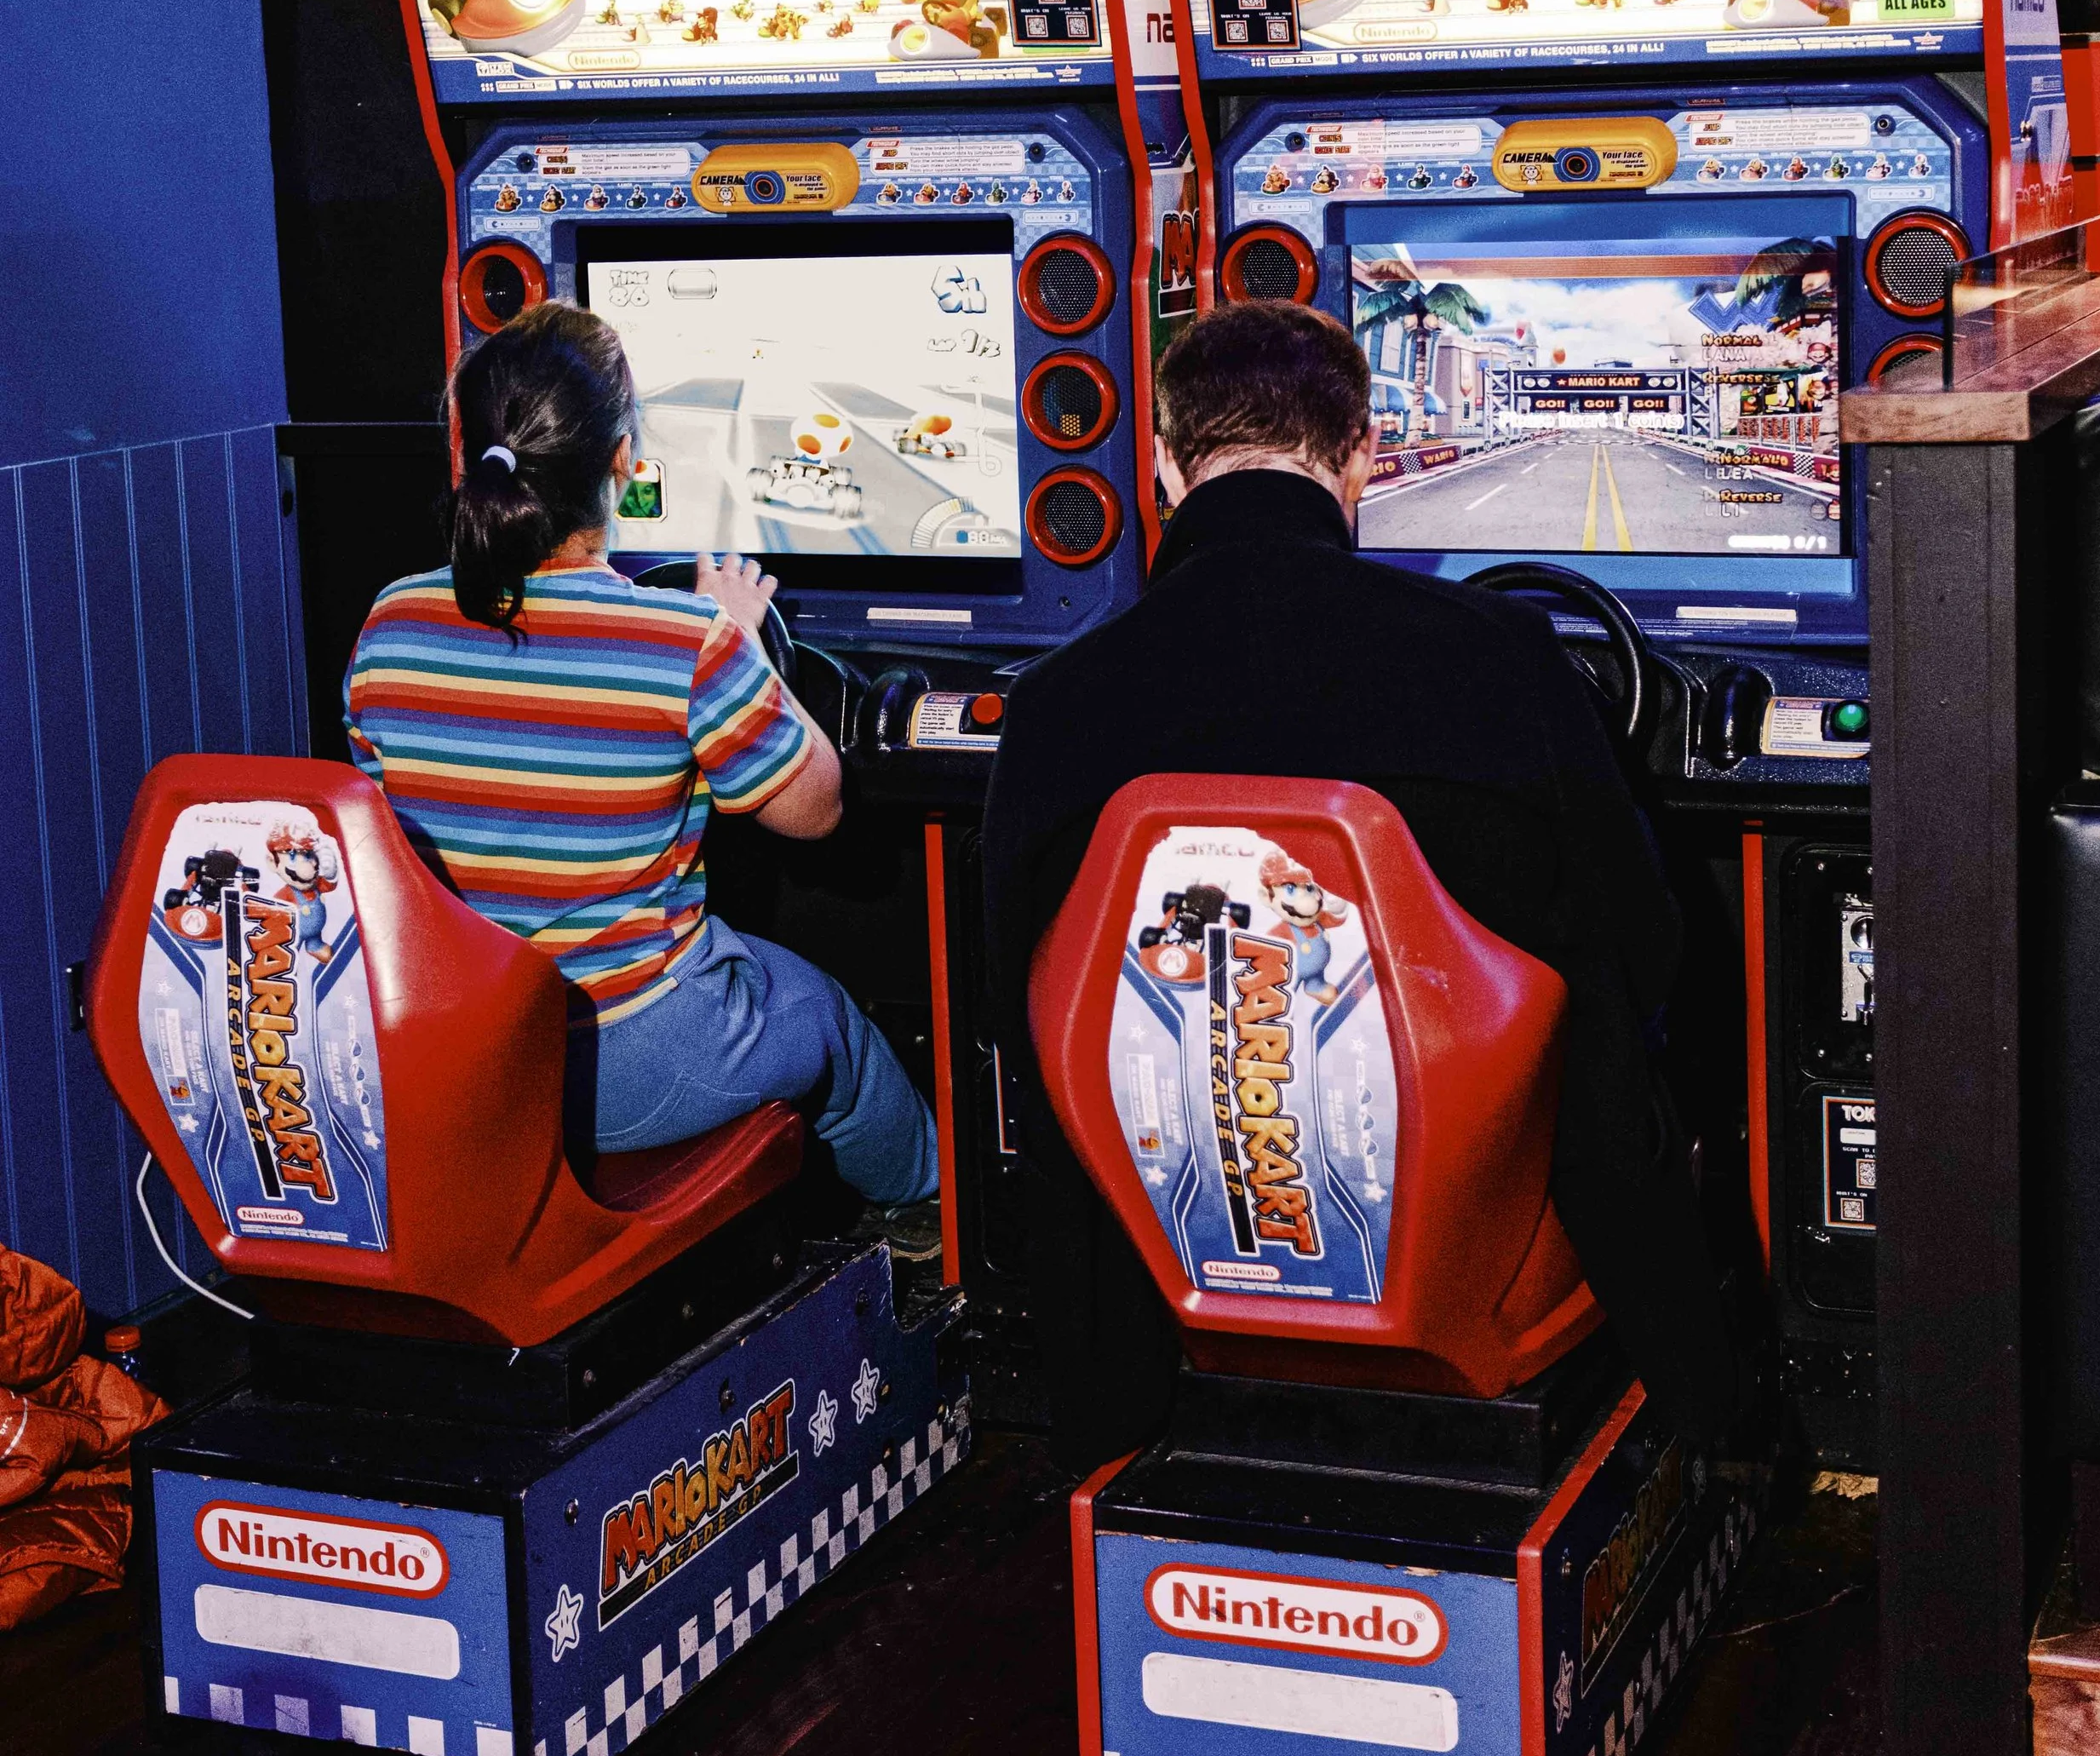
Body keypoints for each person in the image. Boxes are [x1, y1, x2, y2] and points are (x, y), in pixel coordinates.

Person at [983, 300, 1738, 1461]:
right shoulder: (1499, 656)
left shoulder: (1052, 705)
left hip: (1168, 1249)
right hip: (1462, 1230)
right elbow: (1646, 943)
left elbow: (1015, 1008)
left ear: (1166, 468)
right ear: (1361, 459)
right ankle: (1723, 1427)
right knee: (1616, 1030)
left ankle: (1105, 1450)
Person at [344, 303, 937, 1230]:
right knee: (829, 1022)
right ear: (622, 463)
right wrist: (742, 643)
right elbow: (816, 810)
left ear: (471, 459)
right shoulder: (685, 641)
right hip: (628, 1063)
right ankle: (930, 1221)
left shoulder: (391, 621)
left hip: (463, 1056)